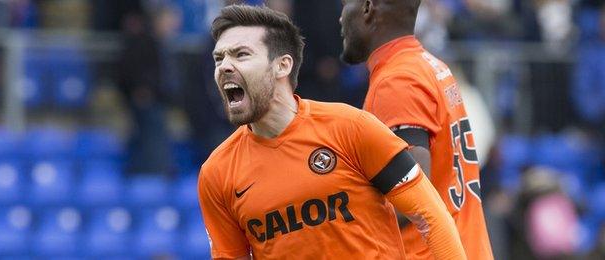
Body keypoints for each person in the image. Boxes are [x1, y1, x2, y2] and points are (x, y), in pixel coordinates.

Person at [197, 4, 466, 259]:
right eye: (219, 58)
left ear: (282, 65)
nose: (224, 66)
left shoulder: (351, 128)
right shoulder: (217, 173)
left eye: (241, 54)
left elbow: (431, 216)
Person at [338, 0, 493, 259]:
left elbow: (411, 196)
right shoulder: (430, 65)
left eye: (345, 4)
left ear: (367, 8)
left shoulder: (398, 81)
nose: (340, 18)